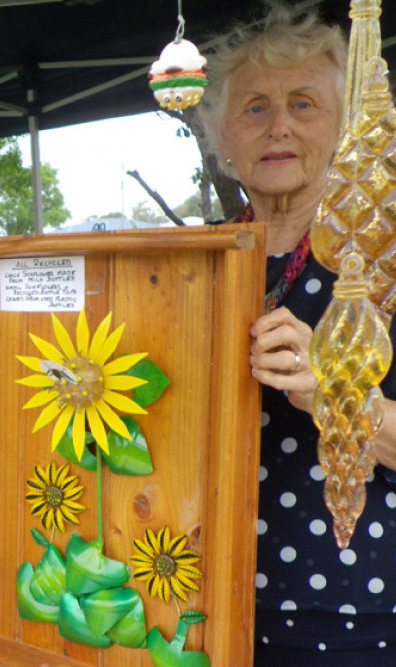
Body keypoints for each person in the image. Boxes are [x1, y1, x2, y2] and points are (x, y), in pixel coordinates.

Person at [199, 4, 396, 662]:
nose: (278, 125)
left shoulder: (384, 258)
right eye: (254, 106)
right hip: (188, 600)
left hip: (347, 615)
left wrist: (341, 396)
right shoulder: (195, 267)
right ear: (221, 135)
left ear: (345, 125)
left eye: (304, 103)